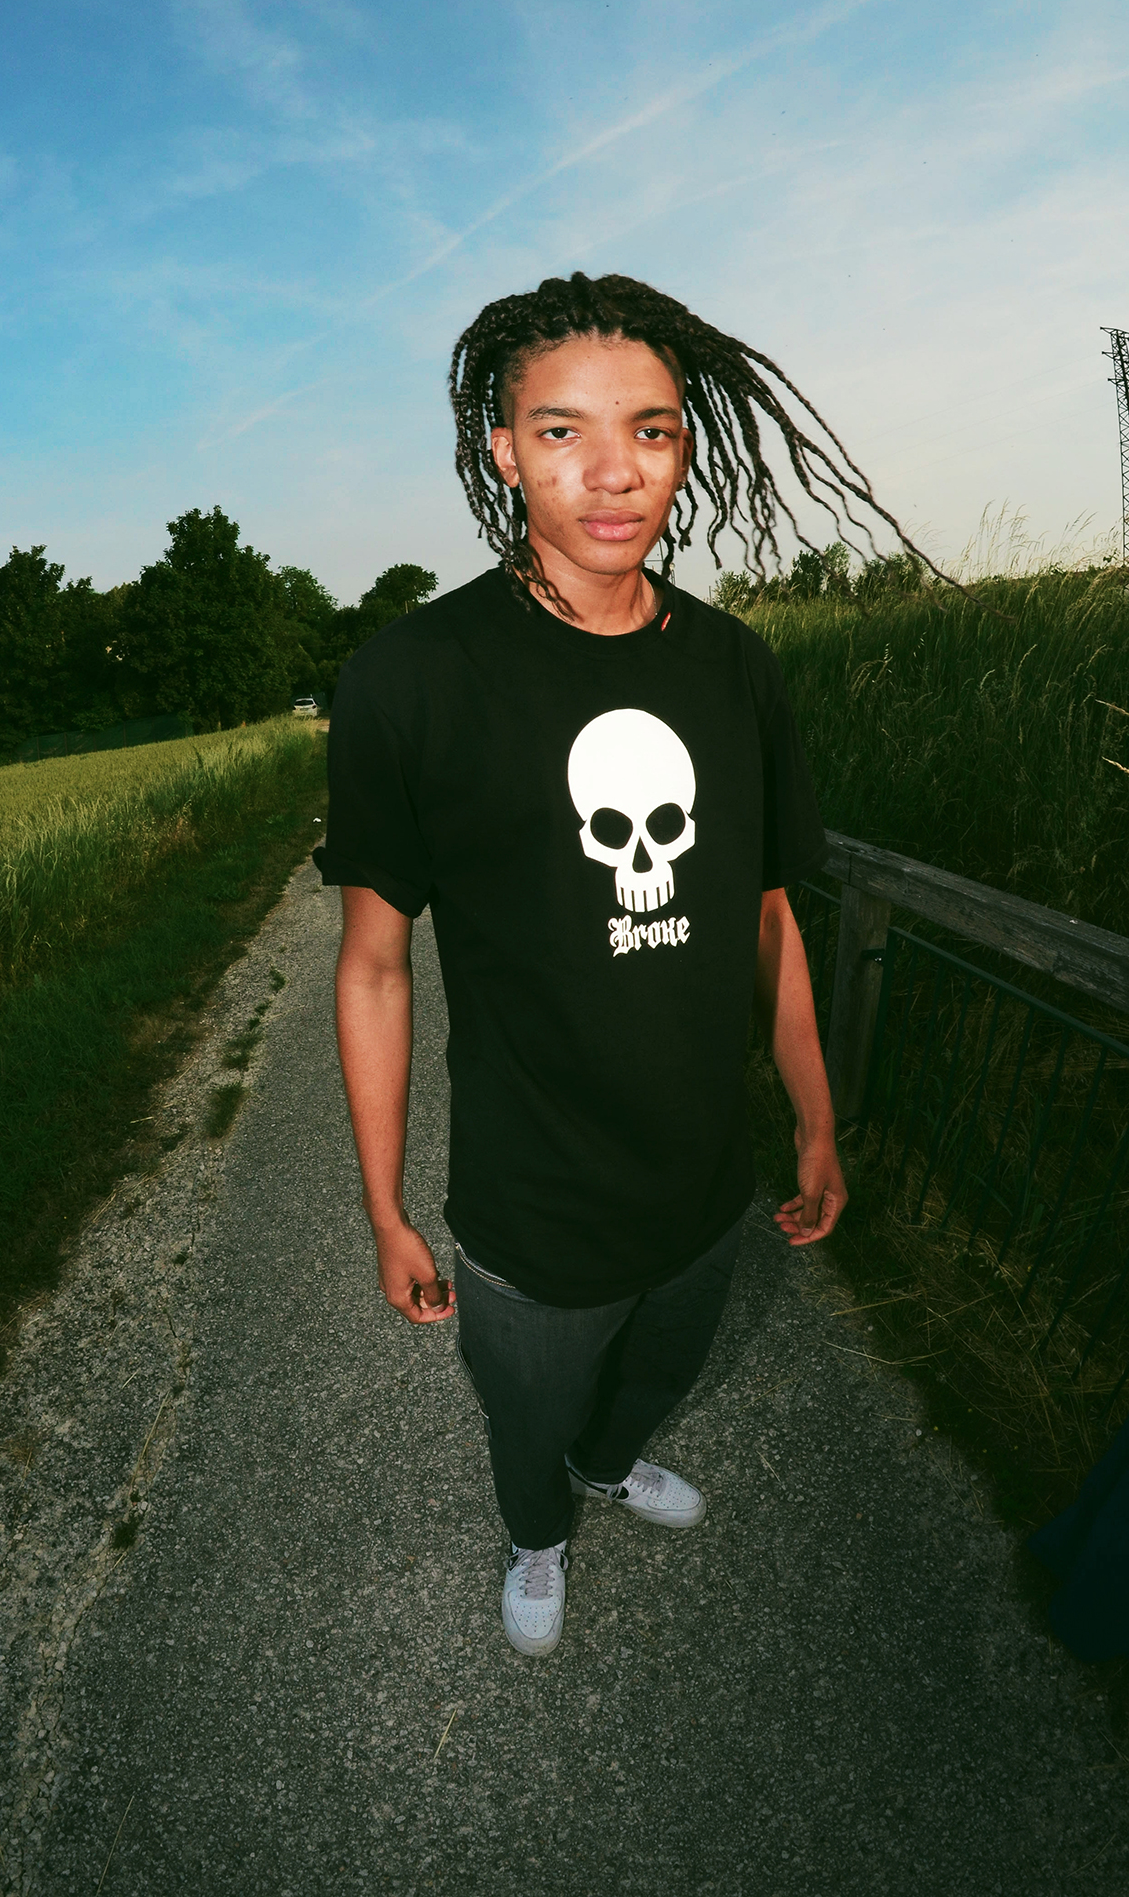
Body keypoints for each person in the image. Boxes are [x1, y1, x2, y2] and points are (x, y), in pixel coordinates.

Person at [315, 271, 902, 1656]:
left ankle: (607, 1464)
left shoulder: (736, 668)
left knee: (656, 1375)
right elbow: (375, 968)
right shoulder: (410, 679)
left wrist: (815, 1123)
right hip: (533, 1211)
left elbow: (766, 917)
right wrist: (384, 1208)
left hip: (705, 1185)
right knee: (527, 1411)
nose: (613, 471)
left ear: (683, 444)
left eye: (649, 428)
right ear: (503, 451)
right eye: (562, 430)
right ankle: (538, 1529)